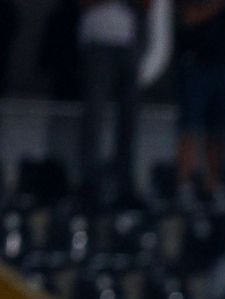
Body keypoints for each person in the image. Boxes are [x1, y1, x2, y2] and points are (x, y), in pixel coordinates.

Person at [175, 0, 225, 197]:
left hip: (223, 65)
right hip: (194, 64)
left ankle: (213, 183)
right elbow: (188, 18)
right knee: (190, 127)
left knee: (217, 130)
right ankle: (184, 183)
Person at [76, 0, 143, 203]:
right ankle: (89, 182)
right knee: (94, 116)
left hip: (129, 41)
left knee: (128, 119)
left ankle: (124, 184)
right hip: (97, 40)